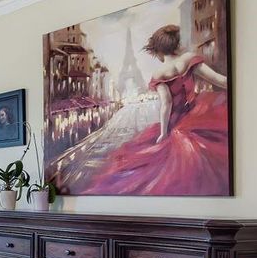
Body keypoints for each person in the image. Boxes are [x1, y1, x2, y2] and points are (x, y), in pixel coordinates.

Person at [84, 24, 229, 195]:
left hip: (176, 123)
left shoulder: (159, 73)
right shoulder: (189, 59)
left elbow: (167, 103)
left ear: (158, 51)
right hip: (196, 114)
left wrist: (163, 132)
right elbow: (219, 80)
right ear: (176, 44)